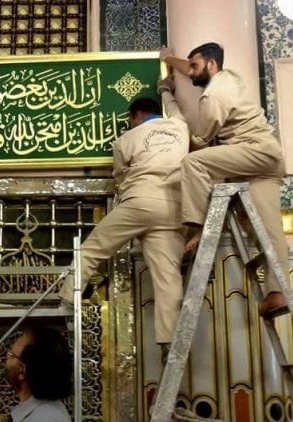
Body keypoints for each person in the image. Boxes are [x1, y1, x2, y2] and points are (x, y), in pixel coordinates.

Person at [160, 42, 290, 316]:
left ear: (211, 65)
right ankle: (278, 293)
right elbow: (190, 67)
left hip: (253, 152)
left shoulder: (213, 96)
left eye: (195, 67)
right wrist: (169, 58)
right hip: (265, 159)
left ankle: (197, 224)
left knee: (193, 162)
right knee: (266, 231)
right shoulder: (229, 77)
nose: (191, 73)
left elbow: (201, 141)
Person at [59, 96, 188, 351]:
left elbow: (120, 177)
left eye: (130, 120)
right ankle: (170, 342)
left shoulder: (125, 140)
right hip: (175, 208)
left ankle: (65, 300)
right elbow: (175, 107)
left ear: (136, 115)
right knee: (168, 277)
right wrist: (167, 89)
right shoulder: (180, 126)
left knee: (92, 249)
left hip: (139, 202)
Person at [5, 327, 72, 422]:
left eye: (11, 355)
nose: (6, 360)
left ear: (22, 370)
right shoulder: (45, 413)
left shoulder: (42, 418)